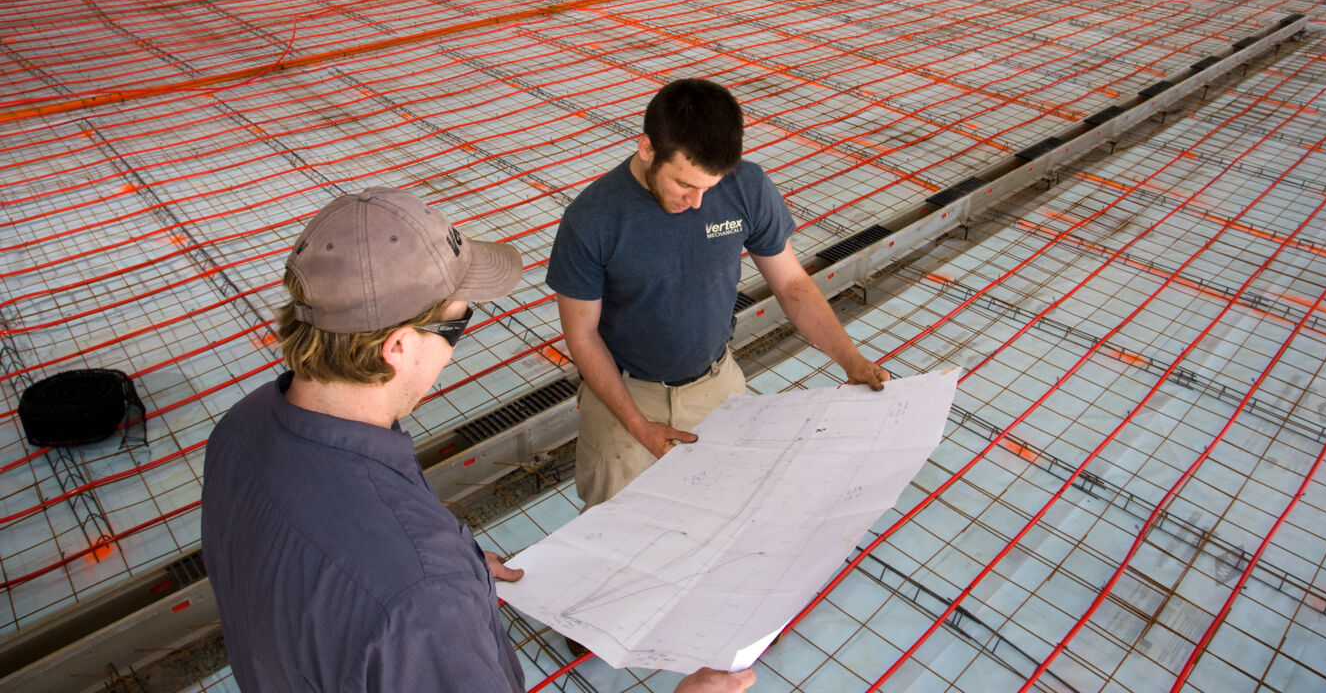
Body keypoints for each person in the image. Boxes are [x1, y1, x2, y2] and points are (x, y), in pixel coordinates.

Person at [201, 186, 754, 693]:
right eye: (457, 325)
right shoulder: (421, 598)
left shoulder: (241, 428)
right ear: (396, 346)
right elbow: (394, 588)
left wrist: (449, 563)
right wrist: (433, 582)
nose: (455, 348)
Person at [547, 78, 890, 510]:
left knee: (726, 517)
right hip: (627, 398)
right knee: (618, 534)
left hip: (717, 383)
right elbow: (582, 336)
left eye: (709, 187)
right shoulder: (592, 219)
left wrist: (851, 359)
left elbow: (791, 283)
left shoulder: (746, 187)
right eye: (684, 185)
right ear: (647, 148)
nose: (696, 202)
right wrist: (638, 425)